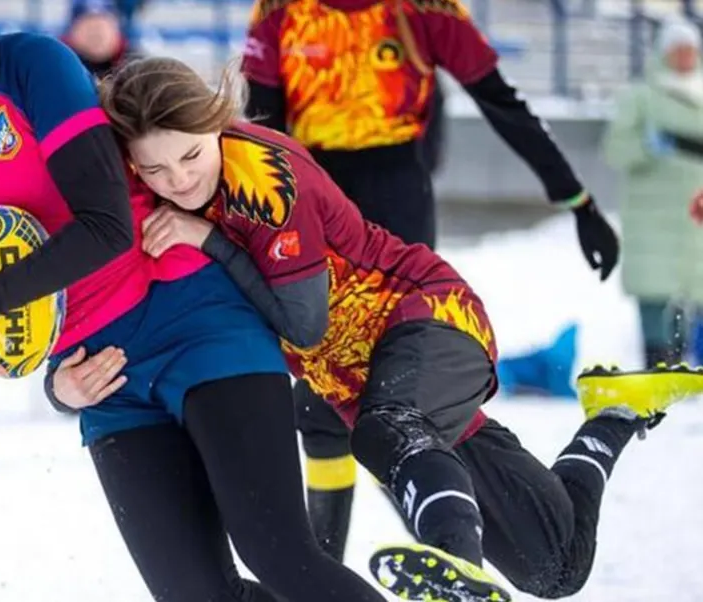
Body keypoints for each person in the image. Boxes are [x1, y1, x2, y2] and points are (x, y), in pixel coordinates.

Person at [52, 56, 703, 602]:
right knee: (553, 567)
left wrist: (210, 242)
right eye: (154, 170)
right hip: (363, 380)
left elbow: (304, 326)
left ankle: (457, 576)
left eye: (191, 156)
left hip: (425, 316)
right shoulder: (162, 182)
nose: (178, 180)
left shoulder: (266, 179)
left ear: (215, 124)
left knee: (384, 430)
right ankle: (613, 414)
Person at [0, 2, 386, 600]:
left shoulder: (31, 66)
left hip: (197, 322)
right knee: (197, 595)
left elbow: (106, 227)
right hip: (99, 376)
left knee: (279, 555)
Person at [241, 0, 622, 565]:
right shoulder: (280, 11)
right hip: (312, 190)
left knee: (390, 396)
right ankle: (326, 573)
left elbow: (498, 99)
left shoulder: (422, 7)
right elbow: (260, 127)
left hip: (396, 191)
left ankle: (450, 550)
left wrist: (576, 199)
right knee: (320, 401)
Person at [602, 16, 703, 368]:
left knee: (693, 295)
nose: (684, 57)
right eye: (677, 50)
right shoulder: (642, 97)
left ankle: (687, 368)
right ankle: (658, 367)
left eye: (690, 50)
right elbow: (615, 150)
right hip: (652, 220)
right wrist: (647, 147)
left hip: (695, 218)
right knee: (656, 300)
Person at [61, 0, 135, 79]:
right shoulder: (61, 62)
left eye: (102, 26)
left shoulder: (135, 62)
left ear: (116, 29)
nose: (96, 33)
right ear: (73, 31)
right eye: (89, 27)